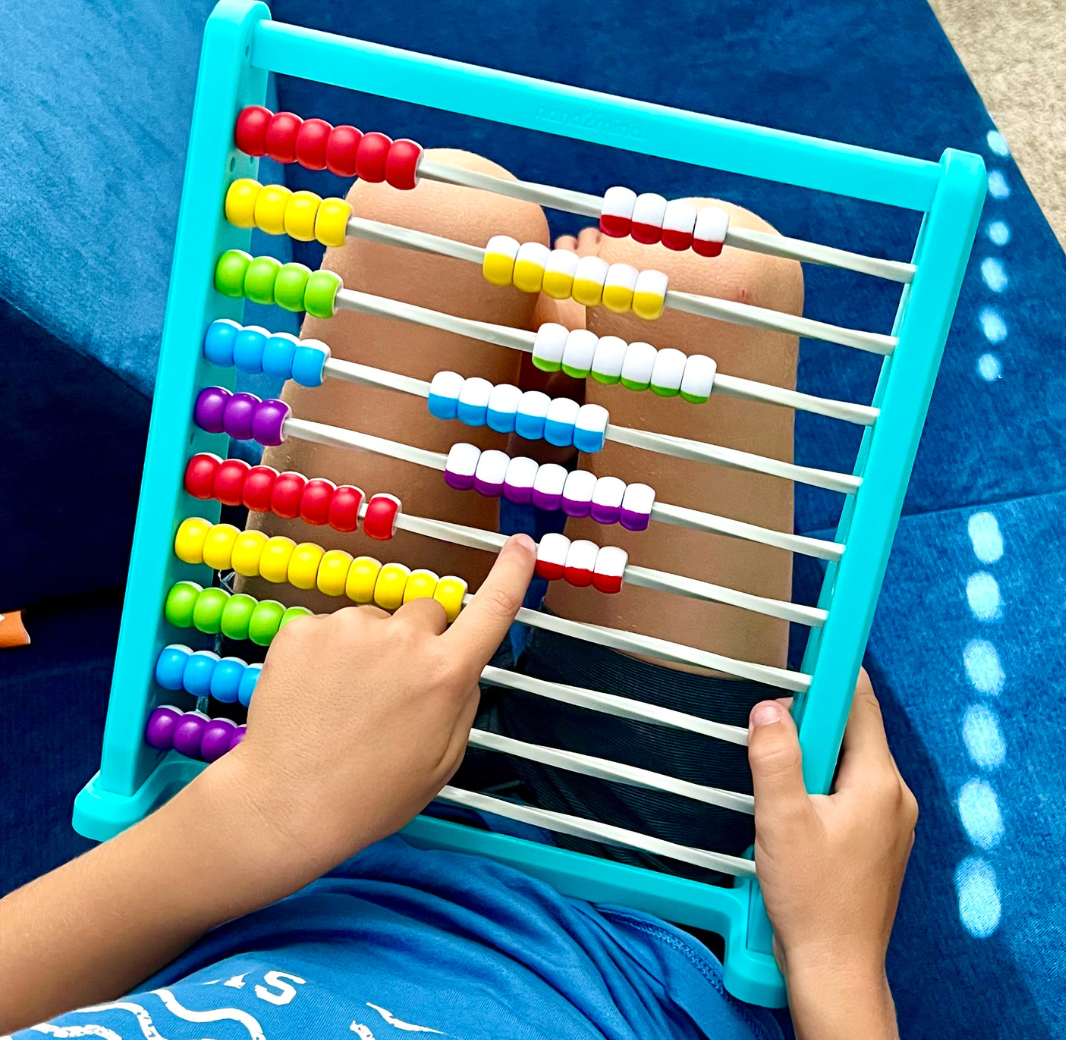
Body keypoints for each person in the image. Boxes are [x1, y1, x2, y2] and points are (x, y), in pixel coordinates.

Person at [0, 154, 918, 1039]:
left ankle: (537, 438)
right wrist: (839, 968)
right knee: (713, 278)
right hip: (623, 918)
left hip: (263, 843)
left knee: (438, 213)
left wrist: (263, 810)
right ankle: (554, 452)